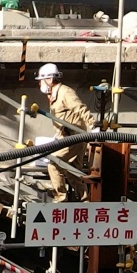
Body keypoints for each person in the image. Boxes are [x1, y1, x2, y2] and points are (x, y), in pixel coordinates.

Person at [36, 63, 97, 202]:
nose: (40, 84)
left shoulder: (65, 92)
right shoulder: (54, 95)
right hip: (69, 138)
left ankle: (60, 199)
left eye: (41, 80)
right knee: (72, 172)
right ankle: (85, 201)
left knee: (54, 165)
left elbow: (79, 108)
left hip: (74, 139)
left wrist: (92, 124)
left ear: (50, 80)